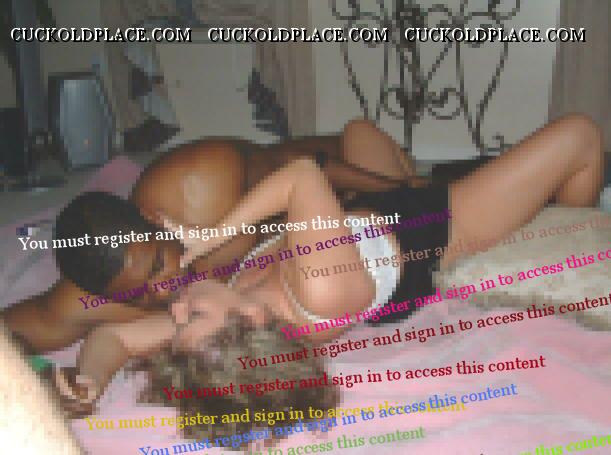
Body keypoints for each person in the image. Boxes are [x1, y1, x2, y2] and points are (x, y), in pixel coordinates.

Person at [64, 113, 603, 414]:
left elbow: (113, 338)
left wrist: (88, 380)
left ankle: (413, 174)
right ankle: (569, 232)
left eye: (178, 321)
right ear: (250, 322)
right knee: (578, 137)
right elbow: (302, 175)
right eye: (192, 317)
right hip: (438, 224)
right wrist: (211, 237)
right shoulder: (320, 295)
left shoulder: (225, 327)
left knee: (358, 131)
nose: (176, 307)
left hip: (356, 211)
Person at [2, 120, 421, 355]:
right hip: (311, 236)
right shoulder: (96, 292)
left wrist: (401, 190)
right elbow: (20, 328)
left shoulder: (203, 180)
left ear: (152, 218)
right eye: (139, 295)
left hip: (341, 178)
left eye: (158, 264)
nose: (164, 289)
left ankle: (406, 175)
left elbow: (307, 168)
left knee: (360, 135)